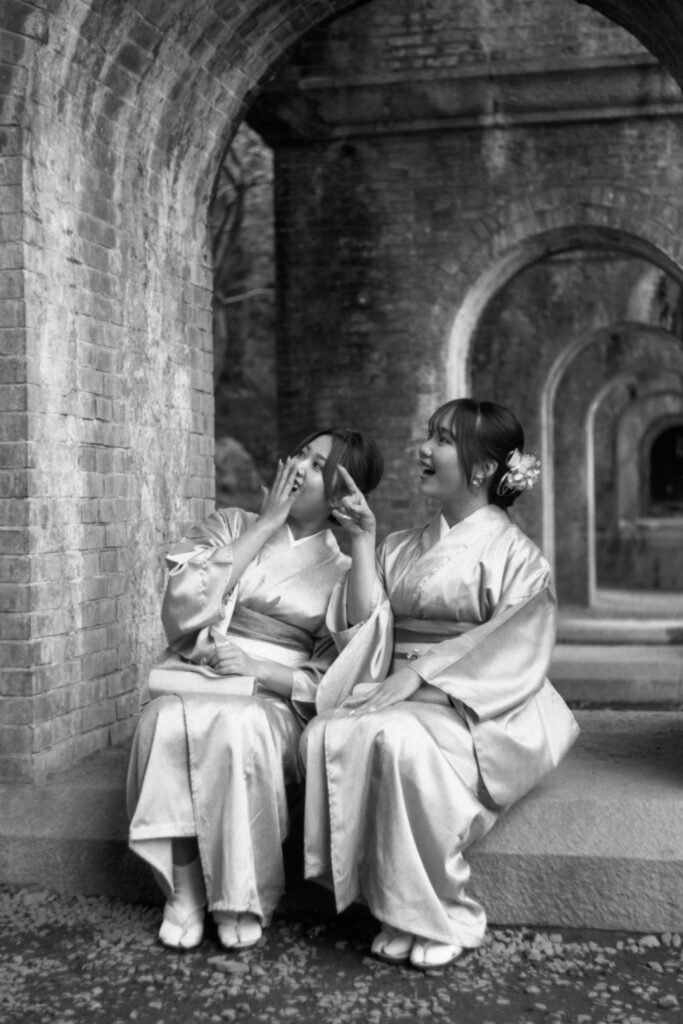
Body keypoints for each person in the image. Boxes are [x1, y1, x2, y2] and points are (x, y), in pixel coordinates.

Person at [301, 399, 579, 971]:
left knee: (399, 739)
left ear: (481, 469)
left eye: (443, 439)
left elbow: (512, 647)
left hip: (477, 705)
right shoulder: (399, 545)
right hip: (393, 690)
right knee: (339, 730)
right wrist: (361, 541)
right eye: (430, 435)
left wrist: (419, 676)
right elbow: (366, 631)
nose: (424, 449)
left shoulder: (518, 557)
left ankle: (446, 913)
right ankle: (396, 907)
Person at [127, 428, 383, 952]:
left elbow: (348, 670)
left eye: (316, 466)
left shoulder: (341, 568)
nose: (297, 467)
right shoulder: (230, 523)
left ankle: (238, 894)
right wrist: (266, 523)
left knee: (239, 725)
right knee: (164, 720)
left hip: (273, 699)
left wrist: (258, 671)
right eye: (300, 453)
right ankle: (185, 885)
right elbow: (183, 602)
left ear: (338, 493)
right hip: (204, 672)